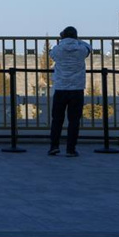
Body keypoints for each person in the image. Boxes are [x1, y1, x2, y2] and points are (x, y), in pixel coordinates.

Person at [48, 26, 92, 157]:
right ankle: (71, 149)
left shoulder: (57, 49)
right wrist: (76, 40)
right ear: (75, 37)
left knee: (57, 119)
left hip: (61, 88)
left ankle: (54, 146)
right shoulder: (81, 49)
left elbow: (51, 55)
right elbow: (88, 47)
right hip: (77, 88)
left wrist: (63, 40)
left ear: (62, 36)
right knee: (74, 120)